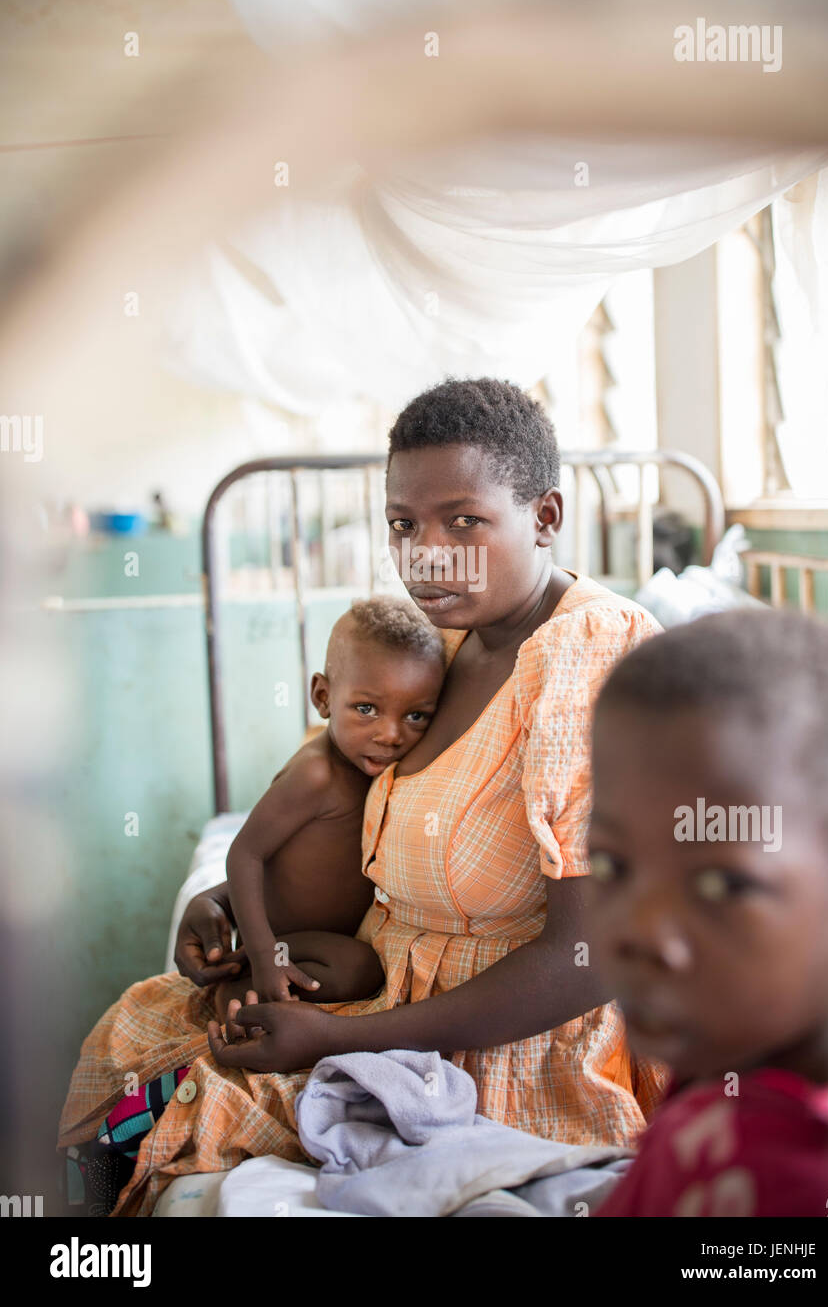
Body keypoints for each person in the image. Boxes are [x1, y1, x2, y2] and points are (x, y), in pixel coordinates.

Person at [58, 377, 669, 1217]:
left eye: (465, 521)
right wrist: (233, 900)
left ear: (546, 517)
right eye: (403, 525)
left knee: (167, 1115)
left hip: (500, 1048)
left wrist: (341, 1038)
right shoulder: (442, 642)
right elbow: (343, 809)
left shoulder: (589, 657)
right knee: (136, 1039)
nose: (427, 555)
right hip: (375, 984)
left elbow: (587, 958)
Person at [589, 609, 828, 1217]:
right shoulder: (741, 1048)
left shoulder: (777, 1172)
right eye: (610, 866)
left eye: (722, 884)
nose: (639, 931)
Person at [218, 594, 445, 1011]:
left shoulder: (391, 769)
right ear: (322, 696)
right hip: (287, 943)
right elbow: (244, 854)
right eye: (366, 709)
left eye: (416, 716)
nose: (391, 734)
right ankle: (236, 991)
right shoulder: (316, 774)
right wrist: (264, 953)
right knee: (359, 971)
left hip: (332, 938)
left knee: (365, 968)